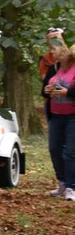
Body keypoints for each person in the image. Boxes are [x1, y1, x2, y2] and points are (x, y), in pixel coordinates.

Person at [44, 41, 75, 200]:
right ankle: (62, 182)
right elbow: (45, 89)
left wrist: (67, 93)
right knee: (54, 149)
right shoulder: (53, 68)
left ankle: (72, 187)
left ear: (63, 52)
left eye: (54, 50)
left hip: (72, 117)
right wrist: (47, 90)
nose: (51, 53)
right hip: (55, 115)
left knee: (70, 152)